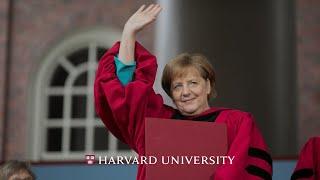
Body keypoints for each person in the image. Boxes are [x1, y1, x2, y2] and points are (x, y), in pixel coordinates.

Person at [94, 4, 272, 180]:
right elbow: (125, 97)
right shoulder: (157, 122)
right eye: (177, 86)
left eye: (193, 83)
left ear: (208, 85)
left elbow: (250, 172)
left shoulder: (236, 122)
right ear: (170, 93)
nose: (185, 92)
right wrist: (129, 33)